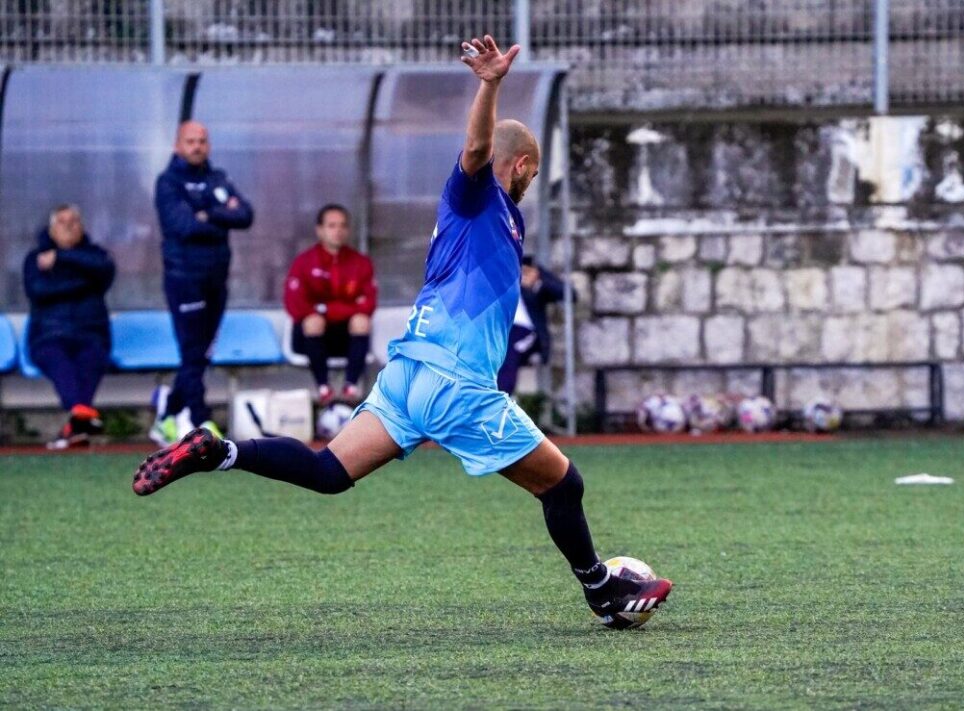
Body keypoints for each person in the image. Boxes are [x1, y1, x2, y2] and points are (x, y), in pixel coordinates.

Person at [131, 35, 671, 625]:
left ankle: (220, 452)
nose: (529, 184)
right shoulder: (478, 199)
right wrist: (489, 84)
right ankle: (602, 591)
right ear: (520, 165)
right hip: (455, 385)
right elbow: (474, 151)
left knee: (329, 471)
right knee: (564, 486)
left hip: (406, 377)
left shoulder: (498, 222)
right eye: (531, 175)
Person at [151, 120, 254, 444]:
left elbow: (246, 216)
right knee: (193, 351)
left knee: (204, 353)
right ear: (177, 145)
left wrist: (206, 215)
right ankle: (200, 418)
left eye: (202, 141)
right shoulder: (168, 182)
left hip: (216, 278)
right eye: (190, 141)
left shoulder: (218, 179)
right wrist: (218, 214)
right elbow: (183, 226)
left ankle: (167, 412)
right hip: (184, 278)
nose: (197, 146)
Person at [23, 205, 114, 449]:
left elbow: (105, 270)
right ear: (52, 229)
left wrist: (62, 258)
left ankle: (76, 421)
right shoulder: (35, 258)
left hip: (91, 333)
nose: (69, 226)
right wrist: (83, 283)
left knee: (92, 358)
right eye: (62, 222)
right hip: (48, 335)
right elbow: (38, 291)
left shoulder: (95, 255)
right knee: (58, 360)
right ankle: (81, 413)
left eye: (74, 221)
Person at [284, 204, 377, 405]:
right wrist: (343, 309)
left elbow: (369, 303)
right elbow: (295, 303)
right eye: (332, 225)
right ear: (320, 230)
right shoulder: (304, 262)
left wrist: (325, 308)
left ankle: (351, 387)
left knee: (361, 321)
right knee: (313, 321)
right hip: (313, 337)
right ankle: (323, 388)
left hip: (345, 337)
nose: (338, 231)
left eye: (343, 226)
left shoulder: (360, 263)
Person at [497, 257, 567, 395]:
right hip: (499, 330)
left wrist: (538, 282)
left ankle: (500, 399)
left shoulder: (530, 271)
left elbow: (569, 294)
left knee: (509, 350)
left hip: (526, 332)